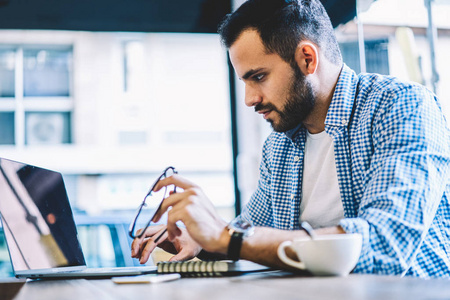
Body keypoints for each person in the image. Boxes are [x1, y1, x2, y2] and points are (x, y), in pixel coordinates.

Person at [131, 0, 450, 278]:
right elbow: (249, 231)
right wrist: (202, 242)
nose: (249, 99)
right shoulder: (280, 146)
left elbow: (385, 244)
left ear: (307, 59)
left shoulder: (402, 106)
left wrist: (228, 239)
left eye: (259, 77)